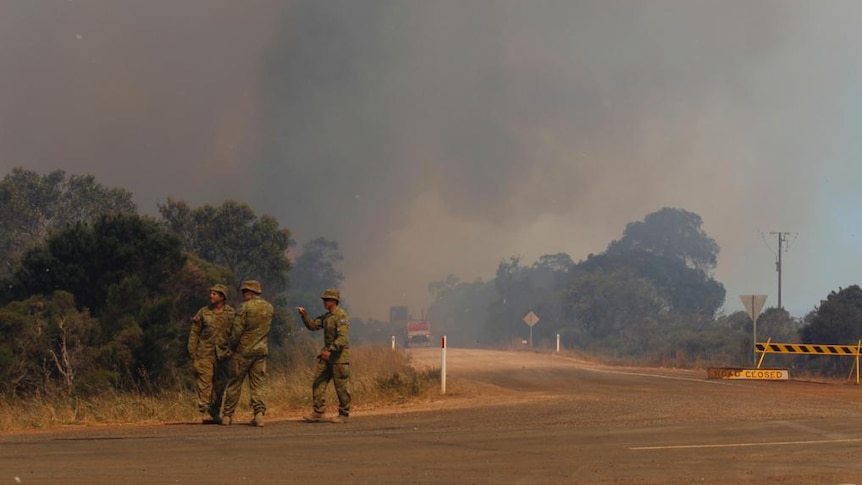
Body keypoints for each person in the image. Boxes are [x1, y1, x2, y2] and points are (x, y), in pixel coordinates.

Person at [221, 280, 274, 427]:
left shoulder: (244, 308)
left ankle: (227, 416)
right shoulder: (269, 307)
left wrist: (230, 347)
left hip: (243, 352)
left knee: (234, 384)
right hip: (261, 352)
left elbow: (237, 331)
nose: (243, 295)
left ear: (249, 293)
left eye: (244, 292)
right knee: (258, 385)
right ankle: (258, 415)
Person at [296, 288, 351, 424]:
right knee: (318, 382)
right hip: (327, 357)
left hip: (339, 358)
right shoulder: (327, 317)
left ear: (334, 301)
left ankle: (343, 414)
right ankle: (318, 412)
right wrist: (304, 316)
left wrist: (330, 350)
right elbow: (313, 326)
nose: (324, 302)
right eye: (324, 300)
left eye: (327, 300)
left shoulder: (341, 316)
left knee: (341, 387)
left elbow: (342, 338)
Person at [188, 284, 235, 424]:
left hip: (223, 355)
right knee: (204, 383)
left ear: (222, 297)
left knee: (220, 385)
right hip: (205, 353)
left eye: (214, 294)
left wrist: (232, 350)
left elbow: (236, 333)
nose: (211, 296)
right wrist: (192, 351)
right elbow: (194, 332)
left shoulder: (231, 313)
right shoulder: (203, 312)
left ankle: (214, 412)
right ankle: (203, 411)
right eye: (211, 293)